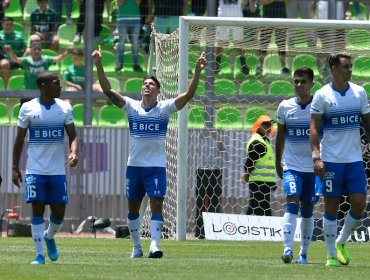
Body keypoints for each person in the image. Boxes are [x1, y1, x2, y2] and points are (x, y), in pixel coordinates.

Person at [92, 46, 206, 258]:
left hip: (156, 167)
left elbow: (188, 95)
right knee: (133, 207)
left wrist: (198, 70)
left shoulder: (164, 108)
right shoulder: (131, 107)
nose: (147, 86)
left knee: (156, 203)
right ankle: (136, 247)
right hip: (134, 166)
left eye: (151, 84)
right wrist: (98, 64)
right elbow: (108, 91)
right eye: (145, 83)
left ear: (158, 91)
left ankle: (154, 245)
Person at [310, 52, 370, 267]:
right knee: (331, 206)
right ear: (334, 68)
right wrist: (316, 156)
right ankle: (331, 256)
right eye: (345, 66)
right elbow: (314, 127)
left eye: (351, 66)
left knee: (359, 204)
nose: (350, 70)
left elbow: (367, 121)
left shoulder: (359, 93)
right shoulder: (322, 95)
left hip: (354, 160)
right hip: (331, 159)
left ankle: (341, 241)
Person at [12, 71, 78, 265]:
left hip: (57, 170)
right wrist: (15, 167)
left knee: (58, 212)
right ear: (44, 85)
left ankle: (49, 237)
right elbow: (19, 140)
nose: (60, 86)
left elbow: (73, 135)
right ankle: (39, 255)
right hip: (35, 170)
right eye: (57, 83)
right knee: (37, 209)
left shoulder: (65, 108)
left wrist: (74, 152)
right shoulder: (27, 108)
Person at [275, 67, 317, 264]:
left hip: (313, 168)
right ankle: (287, 249)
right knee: (292, 202)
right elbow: (280, 136)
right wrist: (278, 162)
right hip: (291, 166)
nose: (299, 85)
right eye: (296, 81)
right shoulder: (285, 106)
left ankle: (304, 253)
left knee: (308, 209)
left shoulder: (319, 106)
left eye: (303, 81)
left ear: (311, 84)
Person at [5, 42, 72, 104]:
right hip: (28, 91)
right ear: (31, 51)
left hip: (42, 92)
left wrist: (67, 53)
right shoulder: (26, 60)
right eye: (35, 49)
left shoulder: (46, 59)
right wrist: (10, 52)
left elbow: (57, 59)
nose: (37, 51)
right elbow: (16, 59)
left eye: (39, 49)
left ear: (41, 51)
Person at [242, 114, 276, 216]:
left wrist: (272, 182)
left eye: (270, 125)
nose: (269, 127)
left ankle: (243, 227)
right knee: (262, 210)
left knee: (254, 207)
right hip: (258, 182)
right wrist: (246, 175)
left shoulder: (265, 140)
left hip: (264, 182)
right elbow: (250, 161)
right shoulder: (258, 142)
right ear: (258, 127)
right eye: (265, 125)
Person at [214, 0, 249, 75]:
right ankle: (217, 64)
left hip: (237, 17)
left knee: (239, 42)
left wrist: (240, 8)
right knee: (220, 42)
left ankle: (244, 65)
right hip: (223, 17)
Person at [257, 0, 290, 76]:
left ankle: (283, 67)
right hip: (267, 18)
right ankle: (260, 66)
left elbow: (288, 2)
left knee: (281, 43)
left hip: (281, 17)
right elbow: (261, 2)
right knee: (263, 43)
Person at [115, 0, 143, 72]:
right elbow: (121, 2)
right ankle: (120, 64)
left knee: (135, 43)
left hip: (136, 19)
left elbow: (138, 2)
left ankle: (135, 64)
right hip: (122, 19)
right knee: (121, 42)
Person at [0, 16, 26, 88]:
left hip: (18, 58)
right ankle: (6, 88)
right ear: (2, 25)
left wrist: (24, 58)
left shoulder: (19, 34)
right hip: (5, 59)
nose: (9, 26)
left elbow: (26, 48)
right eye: (6, 24)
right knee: (4, 64)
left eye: (10, 24)